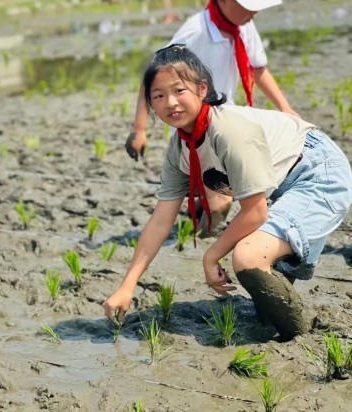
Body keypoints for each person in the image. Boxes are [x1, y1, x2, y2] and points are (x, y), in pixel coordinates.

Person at [103, 45, 352, 340]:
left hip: (316, 172)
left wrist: (212, 256)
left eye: (179, 90)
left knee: (247, 257)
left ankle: (297, 338)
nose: (170, 102)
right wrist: (127, 286)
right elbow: (160, 221)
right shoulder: (179, 148)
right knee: (265, 300)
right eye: (158, 96)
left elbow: (256, 211)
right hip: (282, 184)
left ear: (202, 89)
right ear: (150, 104)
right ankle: (281, 312)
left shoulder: (228, 130)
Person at [126, 0, 299, 234]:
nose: (255, 12)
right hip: (195, 126)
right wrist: (140, 128)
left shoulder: (243, 26)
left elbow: (258, 69)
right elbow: (154, 77)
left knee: (229, 187)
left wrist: (286, 109)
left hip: (226, 121)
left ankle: (199, 214)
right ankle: (201, 235)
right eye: (249, 6)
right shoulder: (195, 31)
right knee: (221, 197)